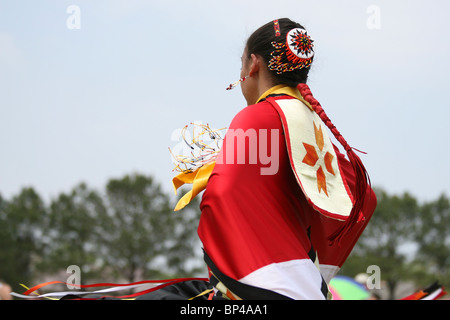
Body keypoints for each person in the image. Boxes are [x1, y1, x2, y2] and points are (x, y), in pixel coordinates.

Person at [186, 18, 377, 300]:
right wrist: (318, 270)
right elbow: (364, 199)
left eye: (241, 64)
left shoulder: (256, 116)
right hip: (307, 288)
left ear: (253, 64)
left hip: (264, 284)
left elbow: (222, 193)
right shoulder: (310, 124)